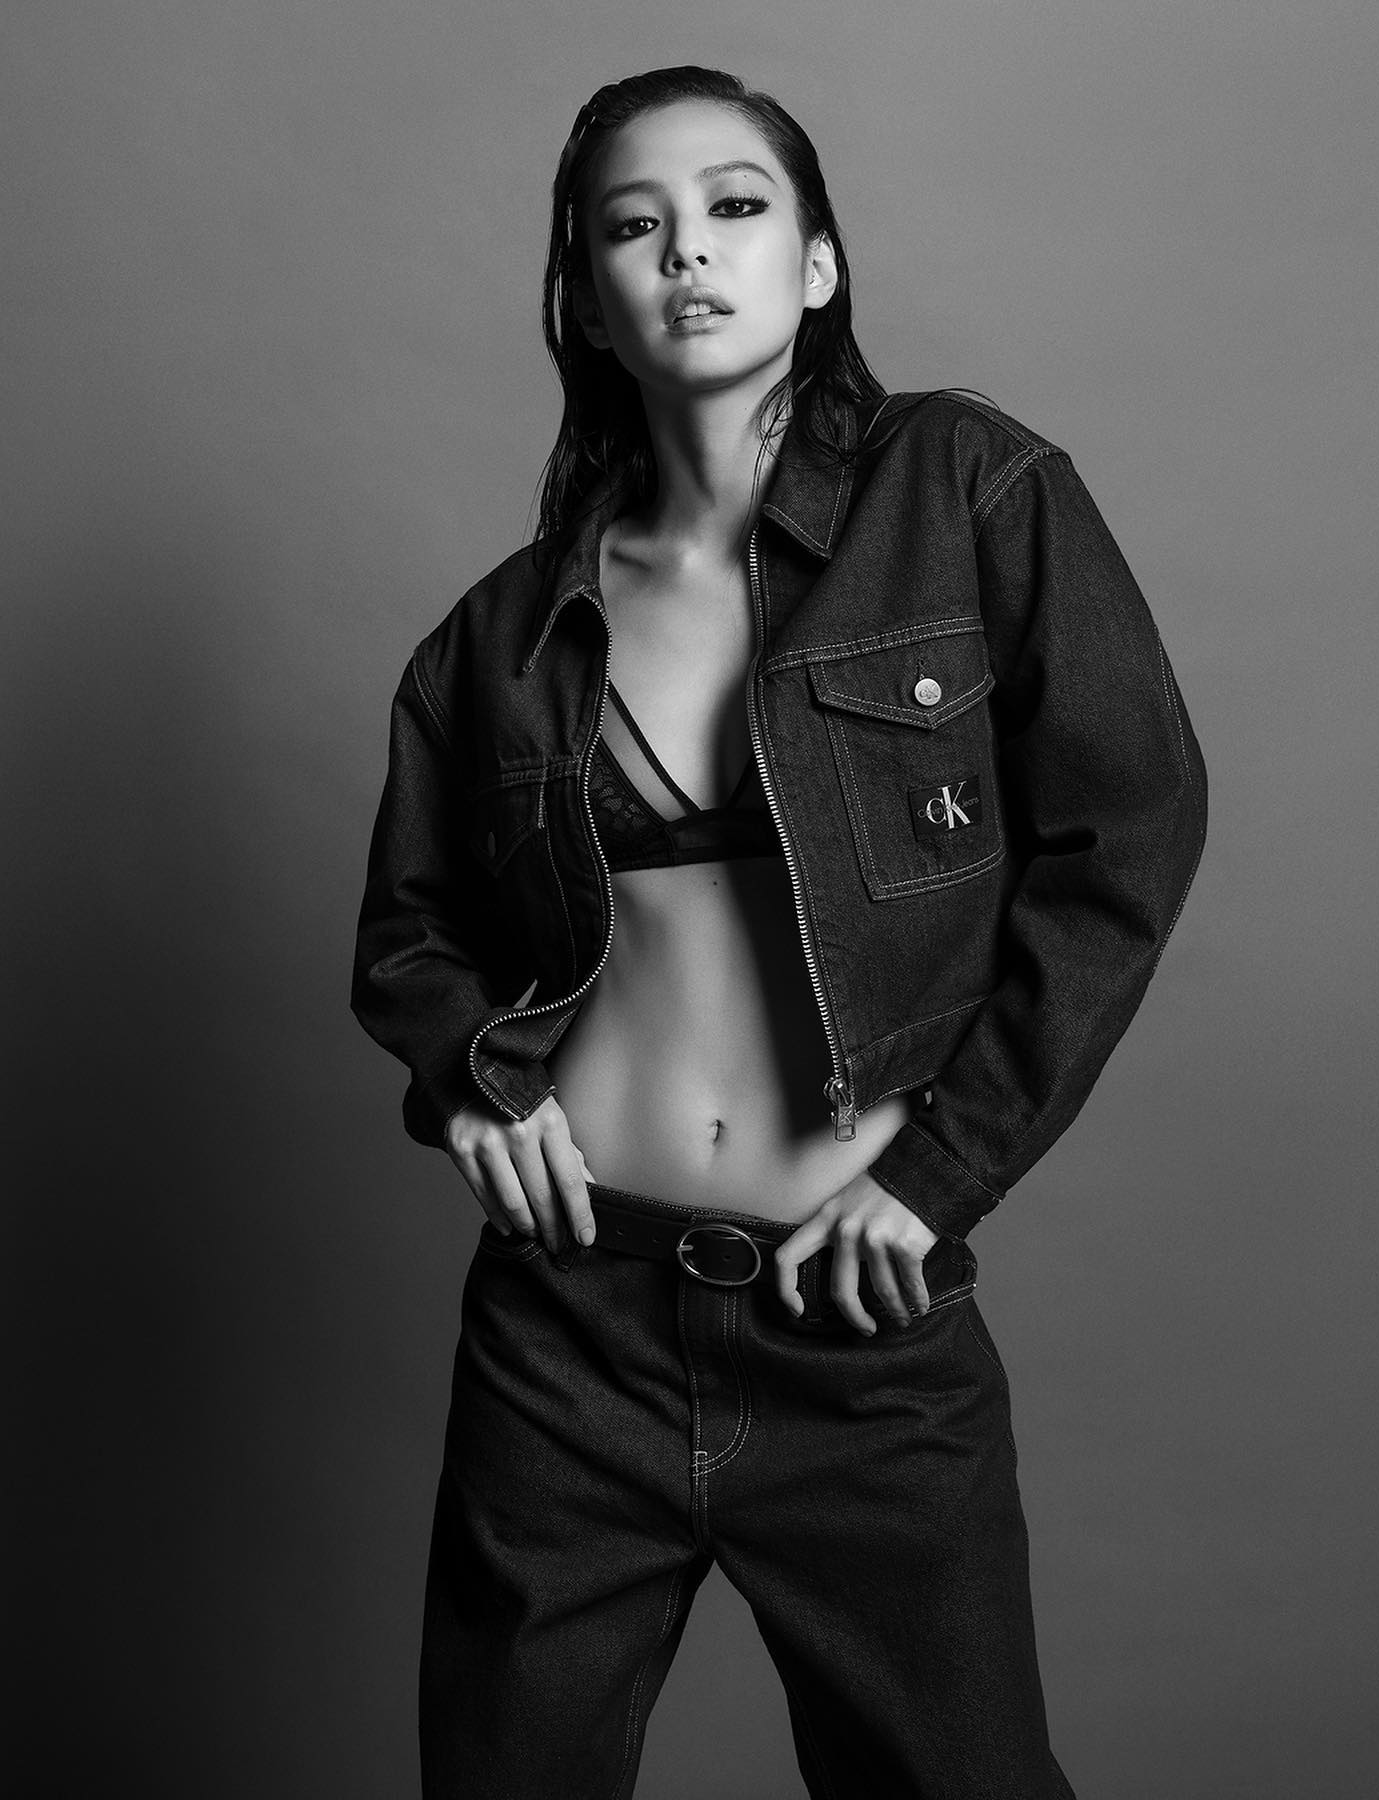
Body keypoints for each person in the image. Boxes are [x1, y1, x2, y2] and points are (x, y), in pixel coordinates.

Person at [351, 64, 1206, 1800]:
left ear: (817, 264)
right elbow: (411, 932)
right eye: (633, 226)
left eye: (736, 208)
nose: (688, 251)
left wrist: (941, 1174)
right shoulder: (497, 641)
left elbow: (1130, 833)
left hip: (858, 1325)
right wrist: (471, 1086)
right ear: (588, 298)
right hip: (568, 1335)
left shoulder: (964, 489)